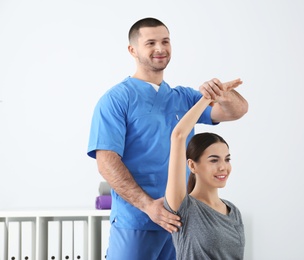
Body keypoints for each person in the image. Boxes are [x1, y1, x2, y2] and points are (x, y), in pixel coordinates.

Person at [87, 17, 248, 260]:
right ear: (133, 50)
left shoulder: (182, 98)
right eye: (150, 43)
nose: (160, 48)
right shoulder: (116, 100)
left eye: (165, 41)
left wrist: (221, 94)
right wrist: (148, 206)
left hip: (181, 222)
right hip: (137, 223)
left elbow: (237, 110)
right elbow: (106, 162)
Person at [164, 90, 245, 259]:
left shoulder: (233, 211)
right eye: (214, 160)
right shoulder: (183, 207)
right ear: (192, 165)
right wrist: (207, 97)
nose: (223, 167)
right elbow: (178, 136)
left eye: (227, 159)